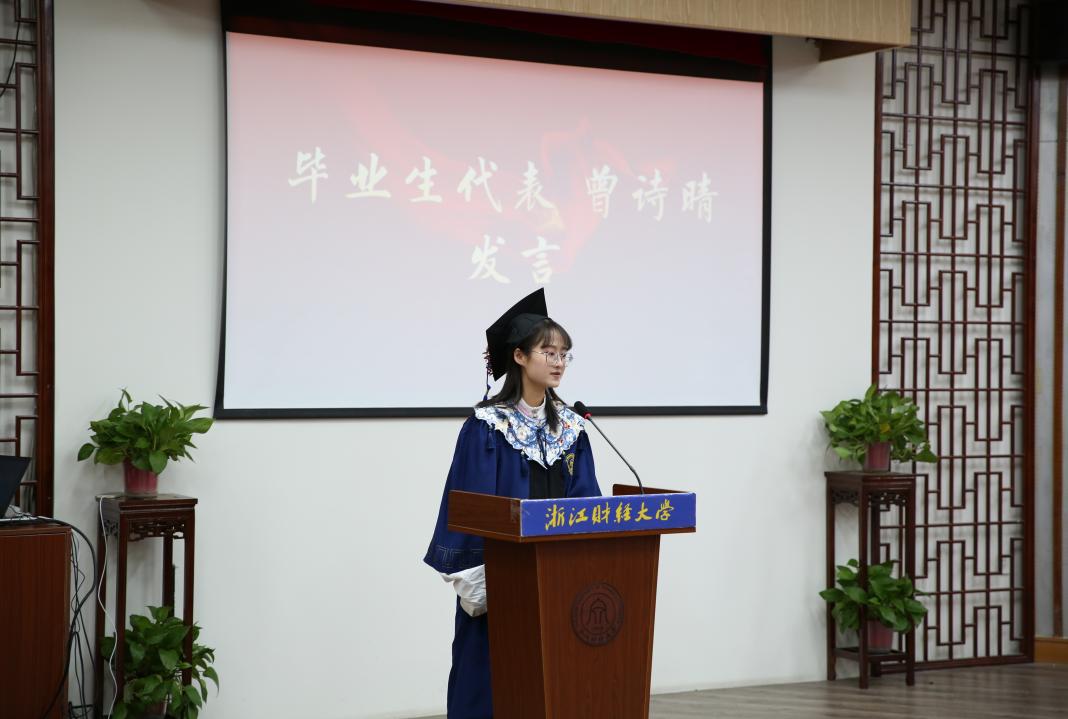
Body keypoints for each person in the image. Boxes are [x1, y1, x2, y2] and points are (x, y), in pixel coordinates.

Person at [424, 288, 602, 719]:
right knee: (492, 688)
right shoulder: (488, 428)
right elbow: (469, 509)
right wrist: (478, 585)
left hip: (558, 586)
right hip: (502, 586)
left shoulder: (572, 430)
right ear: (519, 357)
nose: (559, 362)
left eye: (564, 354)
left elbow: (586, 504)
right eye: (548, 352)